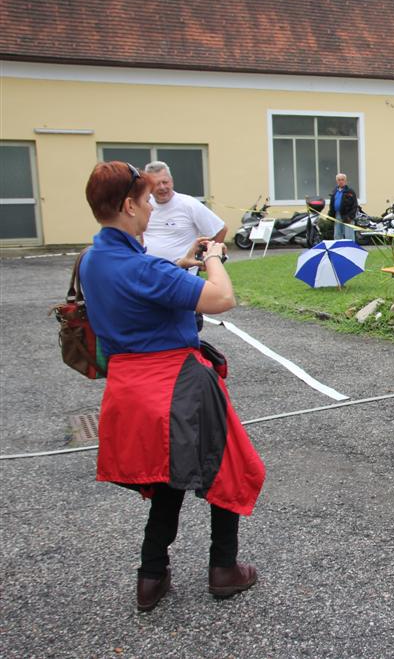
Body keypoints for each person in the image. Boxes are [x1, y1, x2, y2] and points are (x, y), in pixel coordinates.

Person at [79, 161, 265, 612]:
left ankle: (151, 575)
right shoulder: (144, 271)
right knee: (228, 468)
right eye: (145, 201)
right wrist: (215, 260)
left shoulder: (92, 259)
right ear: (127, 205)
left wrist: (179, 266)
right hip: (175, 383)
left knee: (167, 479)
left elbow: (139, 285)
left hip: (128, 388)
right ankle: (224, 567)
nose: (149, 209)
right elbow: (222, 299)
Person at [142, 161, 226, 273]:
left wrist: (208, 258)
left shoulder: (189, 204)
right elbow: (143, 233)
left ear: (171, 181)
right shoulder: (145, 204)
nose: (162, 187)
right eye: (157, 184)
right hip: (152, 274)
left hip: (183, 275)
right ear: (149, 186)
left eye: (165, 182)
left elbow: (221, 229)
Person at [329, 173, 358, 240]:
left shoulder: (350, 191)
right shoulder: (334, 191)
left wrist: (350, 217)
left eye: (342, 180)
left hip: (347, 216)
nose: (341, 181)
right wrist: (330, 215)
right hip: (337, 215)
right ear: (337, 181)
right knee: (337, 235)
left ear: (345, 181)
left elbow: (355, 206)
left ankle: (350, 249)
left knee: (349, 236)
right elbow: (332, 204)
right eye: (339, 180)